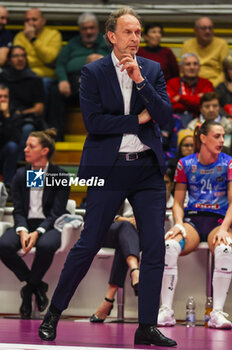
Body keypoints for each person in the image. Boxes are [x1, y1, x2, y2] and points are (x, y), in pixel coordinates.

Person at [38, 7, 176, 347]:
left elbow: (166, 117)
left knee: (155, 247)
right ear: (112, 36)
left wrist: (140, 82)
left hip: (146, 169)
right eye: (129, 32)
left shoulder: (152, 69)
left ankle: (146, 326)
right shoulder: (93, 72)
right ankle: (53, 313)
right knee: (87, 244)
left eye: (139, 33)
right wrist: (137, 121)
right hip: (108, 168)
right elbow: (94, 123)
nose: (135, 39)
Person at [158, 120, 232, 329]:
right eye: (217, 136)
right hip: (193, 220)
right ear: (203, 138)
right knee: (169, 246)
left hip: (219, 220)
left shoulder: (229, 163)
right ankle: (166, 311)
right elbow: (178, 203)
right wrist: (178, 224)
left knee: (225, 249)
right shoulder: (185, 164)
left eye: (223, 136)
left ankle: (216, 313)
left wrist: (225, 229)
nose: (221, 140)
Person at [0, 129, 70, 319]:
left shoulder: (60, 176)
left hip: (51, 224)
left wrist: (38, 232)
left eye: (31, 146)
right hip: (26, 224)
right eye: (26, 145)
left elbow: (56, 212)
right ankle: (37, 286)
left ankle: (28, 291)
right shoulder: (21, 175)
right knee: (4, 245)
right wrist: (22, 230)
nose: (25, 149)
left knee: (46, 244)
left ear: (45, 151)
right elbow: (19, 210)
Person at [47, 12, 109, 140]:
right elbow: (60, 64)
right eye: (85, 28)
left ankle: (103, 133)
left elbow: (118, 62)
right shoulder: (72, 44)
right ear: (79, 29)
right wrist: (63, 80)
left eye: (91, 28)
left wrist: (104, 61)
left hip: (99, 83)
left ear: (97, 28)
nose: (88, 31)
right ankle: (56, 134)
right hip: (74, 82)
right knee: (54, 91)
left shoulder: (107, 43)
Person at [90, 199, 140, 323]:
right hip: (111, 229)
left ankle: (109, 299)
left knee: (124, 243)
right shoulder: (115, 182)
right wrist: (126, 220)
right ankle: (135, 270)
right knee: (126, 229)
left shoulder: (147, 183)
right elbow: (102, 210)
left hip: (138, 233)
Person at [0, 45, 45, 159]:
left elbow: (39, 108)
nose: (20, 59)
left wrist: (21, 113)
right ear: (9, 60)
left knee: (27, 129)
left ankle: (20, 162)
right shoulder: (2, 78)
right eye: (16, 56)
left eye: (22, 56)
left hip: (26, 118)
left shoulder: (34, 79)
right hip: (3, 116)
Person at [13, 8, 62, 96]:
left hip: (45, 77)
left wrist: (33, 39)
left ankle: (39, 110)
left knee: (41, 83)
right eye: (27, 20)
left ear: (43, 21)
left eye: (34, 19)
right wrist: (39, 60)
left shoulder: (54, 35)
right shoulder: (19, 36)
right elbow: (17, 60)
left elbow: (49, 58)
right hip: (24, 75)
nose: (30, 23)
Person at [167, 52, 213, 128]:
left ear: (199, 67)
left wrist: (180, 98)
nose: (192, 67)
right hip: (174, 121)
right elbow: (169, 105)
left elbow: (207, 106)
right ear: (180, 68)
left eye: (195, 64)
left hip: (199, 122)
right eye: (188, 64)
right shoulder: (171, 83)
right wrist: (195, 102)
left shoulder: (207, 84)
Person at [181, 17, 229, 87]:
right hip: (192, 84)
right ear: (196, 30)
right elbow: (183, 70)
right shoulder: (187, 44)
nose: (208, 31)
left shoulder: (222, 44)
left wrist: (210, 86)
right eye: (204, 28)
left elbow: (225, 72)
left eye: (210, 28)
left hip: (215, 85)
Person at [0, 84, 19, 188]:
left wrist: (6, 115)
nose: (3, 99)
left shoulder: (13, 113)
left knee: (12, 146)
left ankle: (8, 185)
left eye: (5, 96)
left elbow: (15, 139)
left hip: (4, 156)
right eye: (0, 96)